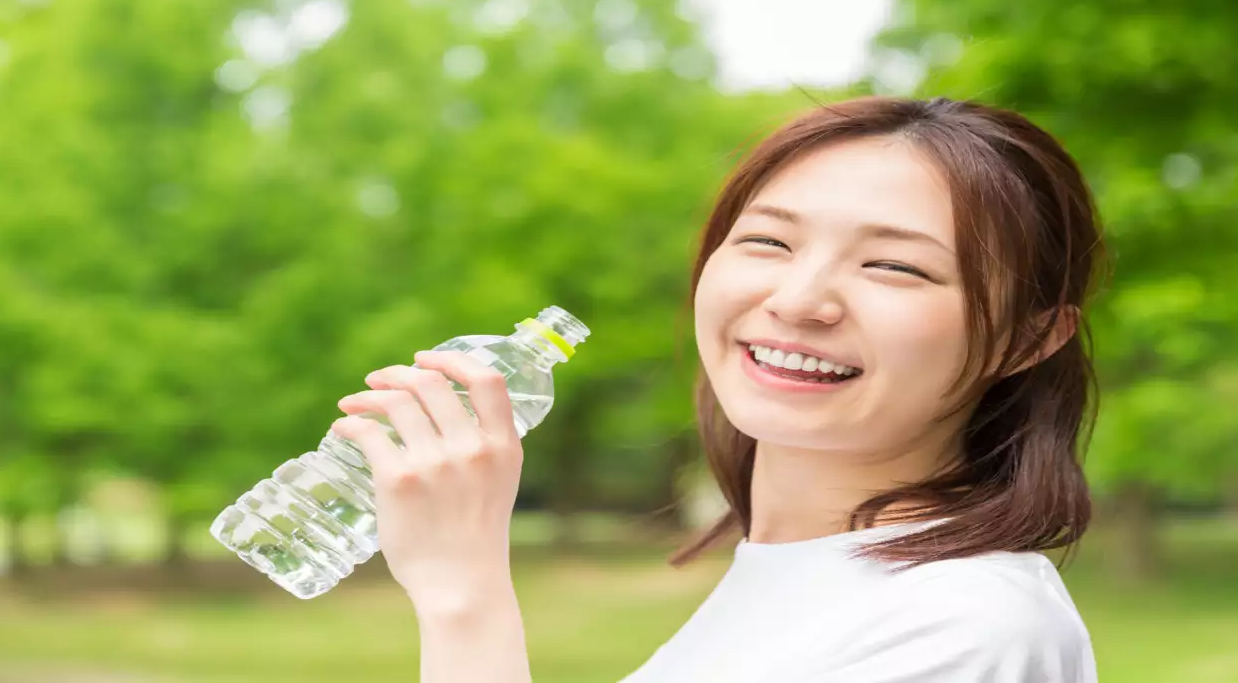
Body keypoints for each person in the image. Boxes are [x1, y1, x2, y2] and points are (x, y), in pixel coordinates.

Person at [330, 96, 1104, 682]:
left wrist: (464, 597)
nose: (800, 300)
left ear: (1029, 338)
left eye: (894, 266)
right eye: (768, 241)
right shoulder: (801, 575)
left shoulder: (967, 628)